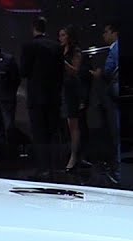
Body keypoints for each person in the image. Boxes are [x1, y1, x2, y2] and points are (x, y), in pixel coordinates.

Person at [20, 15, 64, 179]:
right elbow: (60, 73)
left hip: (36, 97)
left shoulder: (29, 46)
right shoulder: (56, 46)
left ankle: (43, 167)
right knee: (53, 132)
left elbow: (24, 71)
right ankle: (55, 166)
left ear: (33, 28)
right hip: (53, 96)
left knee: (39, 133)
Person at [92, 22, 121, 184]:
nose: (104, 35)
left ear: (114, 33)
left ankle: (118, 171)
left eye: (106, 32)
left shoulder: (114, 49)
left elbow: (108, 70)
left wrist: (99, 74)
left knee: (117, 130)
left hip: (116, 93)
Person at [60, 24, 91, 173]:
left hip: (73, 90)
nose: (60, 38)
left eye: (63, 35)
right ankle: (75, 155)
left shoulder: (76, 51)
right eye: (60, 35)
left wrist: (63, 62)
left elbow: (75, 71)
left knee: (74, 125)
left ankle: (74, 157)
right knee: (68, 125)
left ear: (69, 37)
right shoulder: (61, 50)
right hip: (63, 89)